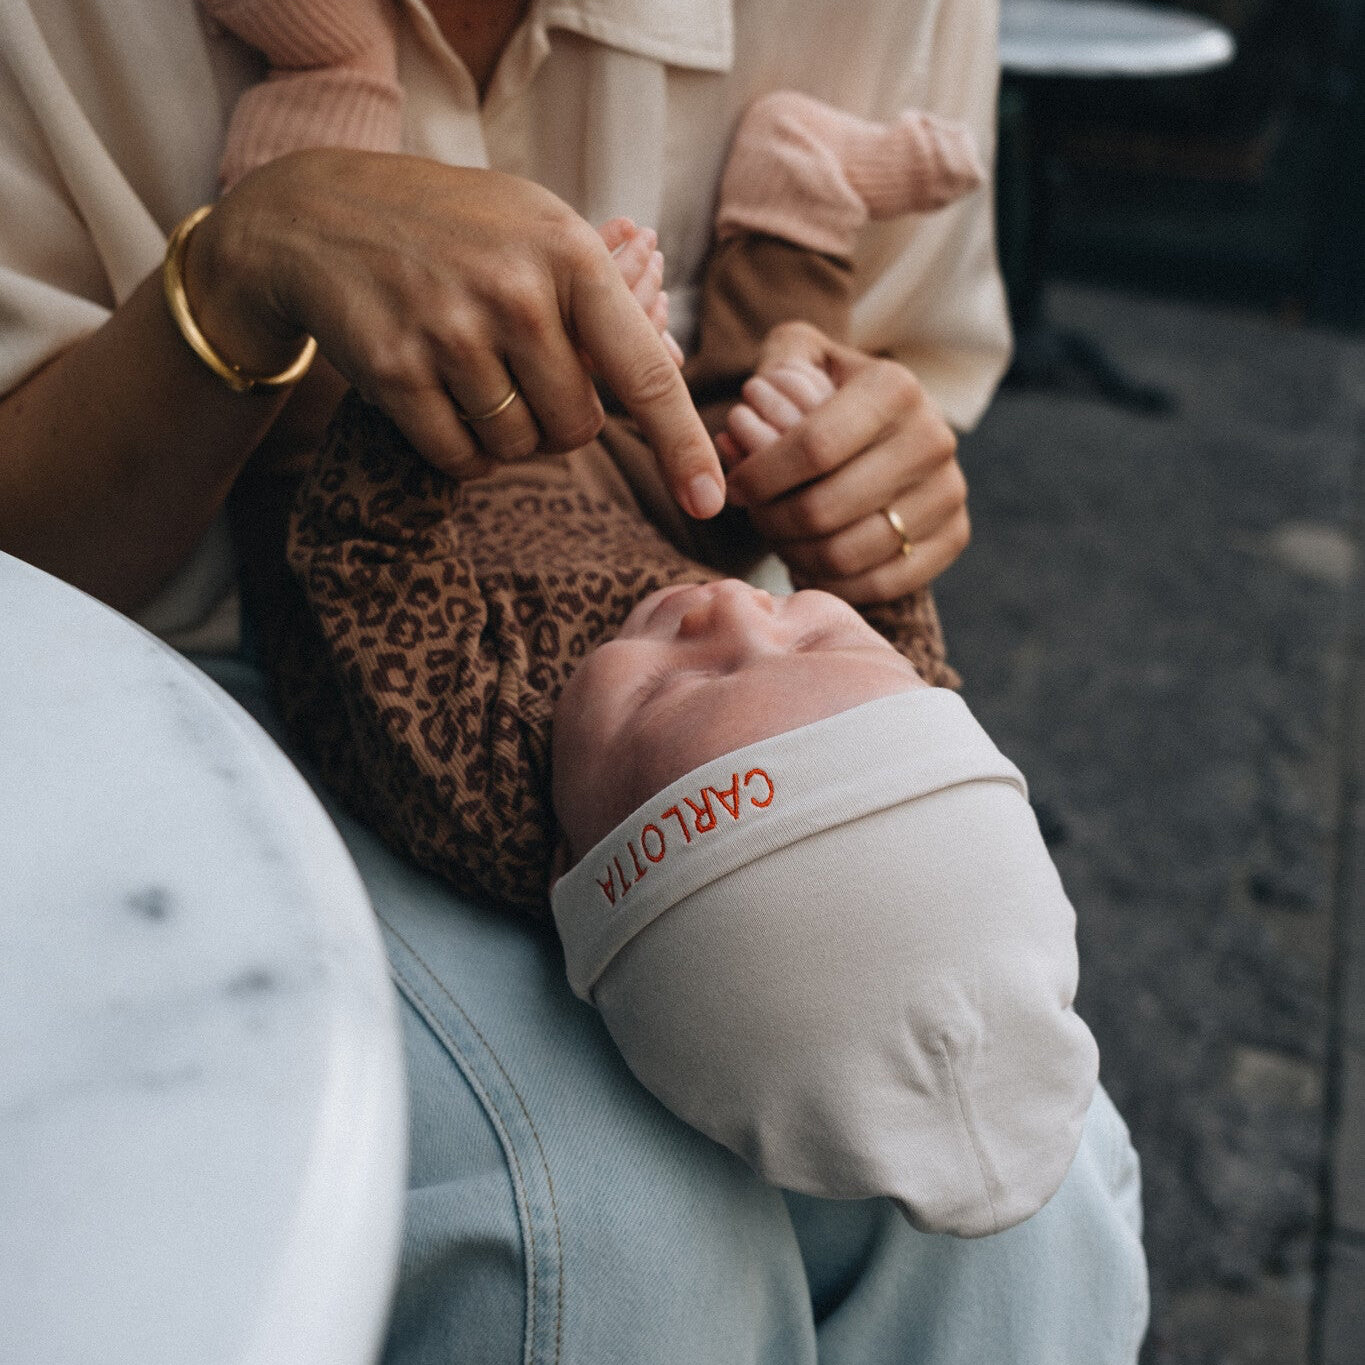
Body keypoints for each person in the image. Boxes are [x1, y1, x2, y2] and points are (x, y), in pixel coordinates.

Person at [0, 1, 1149, 1361]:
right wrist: (244, 273)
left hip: (733, 772)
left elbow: (892, 384)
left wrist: (855, 471)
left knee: (1034, 1212)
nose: (730, 613)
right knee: (595, 1244)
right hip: (151, 664)